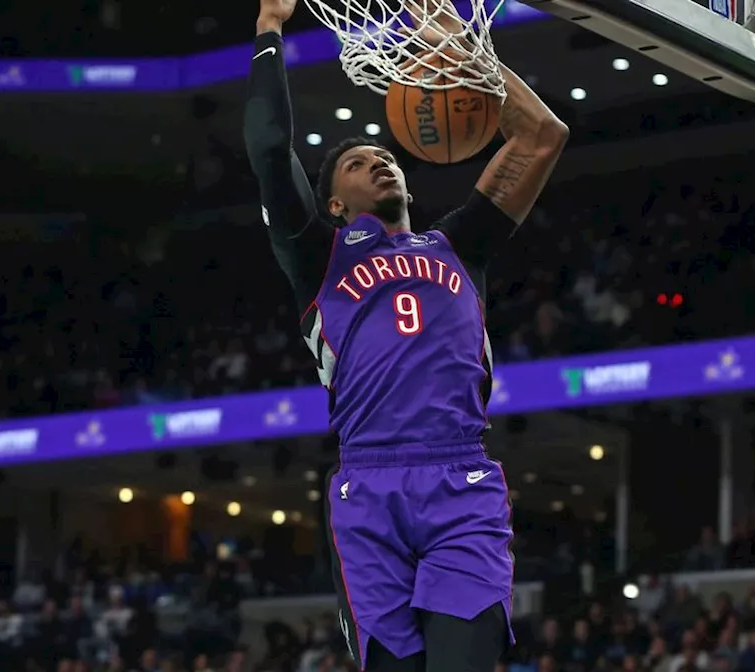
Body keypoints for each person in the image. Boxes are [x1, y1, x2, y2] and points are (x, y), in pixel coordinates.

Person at [243, 0, 568, 670]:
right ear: (334, 204)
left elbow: (540, 136)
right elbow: (271, 149)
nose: (380, 162)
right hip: (368, 489)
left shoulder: (460, 246)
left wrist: (457, 44)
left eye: (385, 155)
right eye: (360, 163)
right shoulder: (318, 258)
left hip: (462, 479)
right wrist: (269, 28)